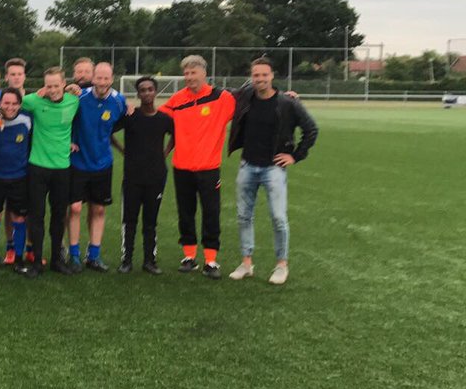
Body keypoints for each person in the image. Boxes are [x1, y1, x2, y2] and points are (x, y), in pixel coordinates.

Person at [227, 57, 319, 285]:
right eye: (256, 75)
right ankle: (246, 263)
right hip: (247, 165)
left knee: (278, 217)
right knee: (243, 216)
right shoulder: (245, 97)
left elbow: (311, 129)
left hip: (274, 169)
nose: (260, 79)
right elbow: (224, 92)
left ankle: (281, 265)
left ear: (272, 76)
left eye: (264, 75)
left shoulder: (287, 103)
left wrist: (295, 156)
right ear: (252, 77)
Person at [159, 54, 236, 278]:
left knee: (211, 213)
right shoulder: (177, 99)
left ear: (204, 73)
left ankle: (211, 260)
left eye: (193, 72)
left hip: (209, 168)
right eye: (186, 73)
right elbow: (156, 117)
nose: (189, 77)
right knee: (186, 212)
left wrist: (286, 96)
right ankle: (189, 256)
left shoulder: (221, 98)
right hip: (181, 167)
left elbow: (248, 102)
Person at [20, 67, 81, 277]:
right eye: (49, 85)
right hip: (37, 167)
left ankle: (57, 259)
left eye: (56, 85)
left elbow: (94, 91)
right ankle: (37, 262)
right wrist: (36, 92)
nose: (53, 90)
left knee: (58, 216)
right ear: (44, 86)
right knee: (36, 216)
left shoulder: (74, 100)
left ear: (64, 84)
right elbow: (14, 99)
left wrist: (77, 87)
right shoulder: (34, 101)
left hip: (62, 169)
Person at [66, 62, 126, 273]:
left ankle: (94, 255)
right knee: (74, 208)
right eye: (98, 78)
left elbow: (118, 123)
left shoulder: (119, 102)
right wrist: (69, 141)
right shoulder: (79, 97)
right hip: (78, 162)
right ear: (93, 79)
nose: (102, 82)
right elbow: (65, 120)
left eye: (106, 78)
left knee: (98, 209)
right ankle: (73, 254)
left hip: (103, 163)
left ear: (112, 79)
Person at [113, 76, 173, 274]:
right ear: (138, 94)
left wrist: (163, 154)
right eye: (142, 90)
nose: (146, 93)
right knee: (129, 220)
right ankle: (126, 260)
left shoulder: (164, 119)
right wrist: (123, 150)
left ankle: (149, 261)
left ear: (155, 92)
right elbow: (108, 131)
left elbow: (176, 137)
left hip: (156, 177)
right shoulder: (131, 116)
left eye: (150, 89)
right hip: (132, 177)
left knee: (150, 220)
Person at [0, 88, 32, 273]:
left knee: (19, 218)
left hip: (19, 177)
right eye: (6, 103)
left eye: (14, 103)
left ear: (19, 104)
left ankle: (19, 259)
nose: (10, 107)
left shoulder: (27, 119)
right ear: (0, 103)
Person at [0, 58, 32, 265]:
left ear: (24, 76)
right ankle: (10, 247)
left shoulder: (35, 99)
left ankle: (29, 247)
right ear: (6, 77)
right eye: (12, 74)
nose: (16, 77)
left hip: (31, 163)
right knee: (8, 209)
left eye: (19, 74)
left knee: (27, 209)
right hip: (4, 166)